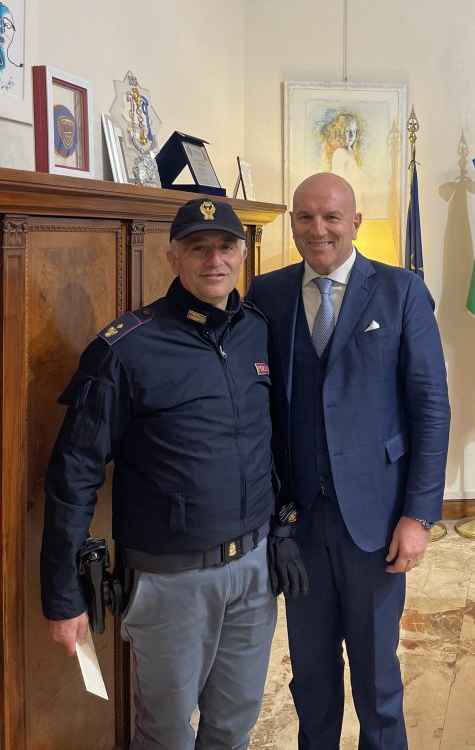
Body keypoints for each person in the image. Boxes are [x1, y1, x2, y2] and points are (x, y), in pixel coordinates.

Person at [41, 197, 305, 750]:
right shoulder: (126, 348)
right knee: (165, 733)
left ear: (242, 256)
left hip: (254, 574)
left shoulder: (257, 331)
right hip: (171, 583)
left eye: (226, 246)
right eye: (197, 247)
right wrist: (62, 596)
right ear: (172, 257)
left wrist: (282, 527)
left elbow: (275, 442)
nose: (215, 259)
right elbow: (74, 474)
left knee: (234, 725)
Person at [247, 172, 451, 750]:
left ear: (355, 223)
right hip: (298, 522)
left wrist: (419, 516)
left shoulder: (401, 290)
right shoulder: (268, 294)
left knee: (377, 677)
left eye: (332, 217)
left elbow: (431, 409)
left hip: (377, 520)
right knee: (310, 677)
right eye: (306, 217)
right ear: (292, 223)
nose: (319, 230)